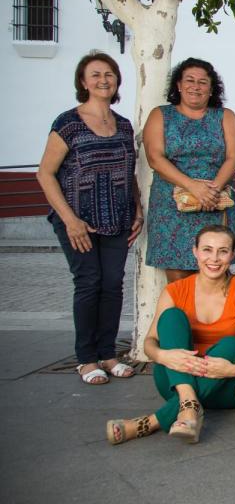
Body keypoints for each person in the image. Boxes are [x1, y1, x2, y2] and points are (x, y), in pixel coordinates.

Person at [37, 51, 142, 385]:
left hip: (117, 217)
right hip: (78, 219)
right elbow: (45, 173)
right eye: (95, 75)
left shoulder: (123, 125)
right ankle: (86, 359)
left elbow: (130, 172)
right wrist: (69, 220)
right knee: (88, 283)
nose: (103, 80)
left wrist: (137, 209)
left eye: (109, 74)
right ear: (83, 82)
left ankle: (108, 354)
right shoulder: (67, 123)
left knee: (112, 285)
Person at [105, 225, 235, 445]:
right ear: (195, 252)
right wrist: (162, 357)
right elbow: (149, 342)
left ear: (233, 255)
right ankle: (188, 400)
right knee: (171, 317)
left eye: (223, 251)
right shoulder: (175, 290)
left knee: (232, 346)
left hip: (227, 380)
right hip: (177, 376)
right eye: (207, 250)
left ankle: (151, 422)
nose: (214, 258)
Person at [143, 57, 235, 282]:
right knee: (179, 281)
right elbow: (155, 158)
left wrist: (212, 191)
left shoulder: (225, 116)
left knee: (215, 277)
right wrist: (193, 187)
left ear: (211, 89)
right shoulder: (160, 115)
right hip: (172, 208)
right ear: (178, 85)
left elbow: (234, 157)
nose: (195, 86)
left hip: (214, 204)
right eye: (189, 80)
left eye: (202, 82)